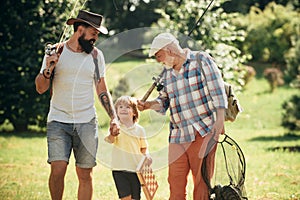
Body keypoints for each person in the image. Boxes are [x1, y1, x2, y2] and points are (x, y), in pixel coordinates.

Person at [35, 10, 119, 200]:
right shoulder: (56, 51)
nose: (95, 39)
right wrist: (48, 68)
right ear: (80, 30)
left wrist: (114, 117)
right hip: (58, 120)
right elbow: (40, 88)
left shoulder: (96, 56)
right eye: (93, 33)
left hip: (86, 122)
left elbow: (102, 90)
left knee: (85, 174)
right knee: (58, 169)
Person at [137, 32, 228, 200]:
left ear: (170, 49)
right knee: (175, 181)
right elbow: (164, 101)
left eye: (159, 55)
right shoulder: (166, 74)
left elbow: (218, 91)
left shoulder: (201, 60)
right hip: (178, 135)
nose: (158, 60)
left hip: (204, 131)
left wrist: (220, 122)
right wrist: (149, 105)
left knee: (201, 183)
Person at [105, 96, 151, 200]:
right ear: (116, 112)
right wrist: (113, 133)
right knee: (125, 197)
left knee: (135, 197)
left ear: (134, 112)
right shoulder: (116, 128)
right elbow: (110, 140)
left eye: (127, 107)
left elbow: (144, 148)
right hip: (119, 169)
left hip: (135, 170)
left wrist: (147, 155)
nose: (123, 109)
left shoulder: (140, 130)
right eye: (120, 107)